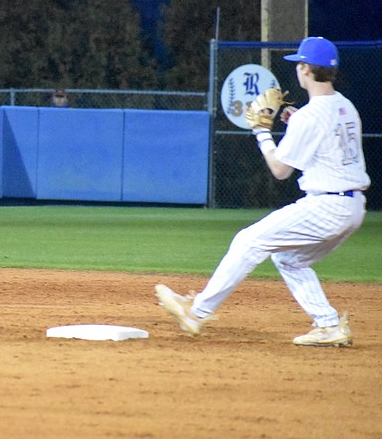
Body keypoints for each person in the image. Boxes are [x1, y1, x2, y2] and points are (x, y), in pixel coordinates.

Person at [155, 36, 370, 347]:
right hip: (353, 208)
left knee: (249, 240)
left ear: (307, 69)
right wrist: (294, 121)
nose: (298, 69)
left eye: (299, 64)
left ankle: (197, 312)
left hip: (328, 206)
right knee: (290, 259)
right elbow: (326, 138)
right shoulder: (345, 106)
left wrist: (261, 132)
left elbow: (280, 170)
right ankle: (328, 324)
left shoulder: (310, 117)